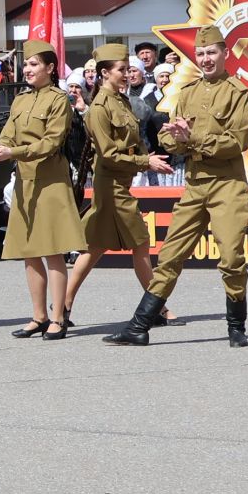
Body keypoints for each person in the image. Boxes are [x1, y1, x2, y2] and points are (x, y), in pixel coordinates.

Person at [106, 26, 248, 348]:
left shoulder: (237, 92)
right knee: (170, 255)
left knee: (230, 257)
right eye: (201, 54)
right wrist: (173, 136)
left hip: (227, 185)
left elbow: (237, 140)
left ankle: (236, 325)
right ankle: (139, 325)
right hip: (195, 185)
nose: (206, 59)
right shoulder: (187, 92)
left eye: (212, 52)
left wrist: (193, 138)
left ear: (224, 54)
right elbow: (166, 137)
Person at [64, 43, 175, 321]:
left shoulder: (121, 101)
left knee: (95, 248)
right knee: (139, 243)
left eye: (128, 69)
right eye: (121, 70)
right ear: (104, 73)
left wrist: (147, 156)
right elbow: (109, 154)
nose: (127, 74)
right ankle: (156, 308)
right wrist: (144, 162)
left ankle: (63, 305)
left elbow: (133, 140)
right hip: (111, 186)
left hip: (119, 183)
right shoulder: (99, 108)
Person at [0, 43, 85, 339]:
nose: (28, 70)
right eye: (26, 65)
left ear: (50, 68)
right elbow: (7, 131)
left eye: (33, 64)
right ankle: (39, 316)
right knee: (29, 253)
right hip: (25, 182)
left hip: (51, 182)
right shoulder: (20, 99)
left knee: (53, 251)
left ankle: (58, 318)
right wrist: (1, 148)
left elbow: (51, 142)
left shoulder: (59, 100)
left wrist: (12, 151)